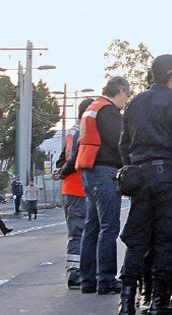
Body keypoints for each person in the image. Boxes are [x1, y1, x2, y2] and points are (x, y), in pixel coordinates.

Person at [117, 54, 172, 315]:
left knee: (137, 239)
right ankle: (159, 302)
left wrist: (135, 166)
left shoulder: (135, 103)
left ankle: (127, 302)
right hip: (167, 178)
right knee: (166, 238)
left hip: (139, 176)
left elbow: (123, 143)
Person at [76, 78, 129, 295]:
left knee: (92, 226)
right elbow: (119, 141)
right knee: (109, 226)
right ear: (120, 91)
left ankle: (87, 279)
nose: (127, 100)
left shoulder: (92, 107)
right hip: (105, 170)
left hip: (89, 170)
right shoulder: (108, 111)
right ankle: (106, 279)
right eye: (127, 94)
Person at [55, 96, 94, 289]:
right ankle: (76, 273)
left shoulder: (72, 131)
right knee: (80, 231)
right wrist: (64, 170)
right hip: (79, 186)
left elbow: (62, 158)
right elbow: (77, 158)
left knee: (76, 232)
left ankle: (77, 271)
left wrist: (61, 171)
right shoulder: (84, 131)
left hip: (69, 187)